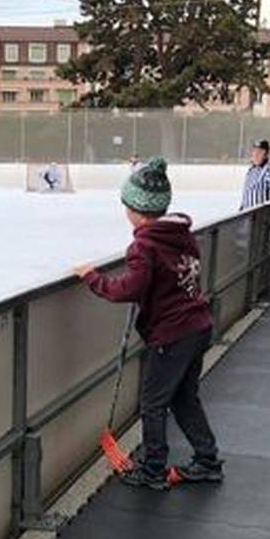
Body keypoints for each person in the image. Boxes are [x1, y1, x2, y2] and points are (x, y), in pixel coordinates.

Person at [74, 156, 222, 490]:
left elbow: (129, 288)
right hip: (197, 324)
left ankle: (154, 468)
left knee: (153, 402)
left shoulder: (144, 245)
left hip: (174, 333)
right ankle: (207, 459)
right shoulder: (181, 235)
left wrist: (94, 278)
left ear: (135, 209)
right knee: (184, 398)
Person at [239, 139, 270, 210]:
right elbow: (246, 195)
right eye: (254, 151)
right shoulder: (251, 171)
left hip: (260, 216)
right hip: (248, 215)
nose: (255, 155)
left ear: (265, 155)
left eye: (259, 152)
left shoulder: (269, 169)